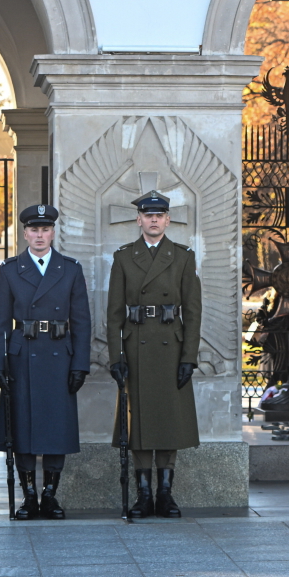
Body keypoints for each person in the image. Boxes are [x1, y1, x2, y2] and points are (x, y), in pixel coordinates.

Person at [0, 204, 92, 520]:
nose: (39, 235)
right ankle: (29, 495)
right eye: (34, 230)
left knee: (56, 427)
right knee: (22, 427)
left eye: (45, 229)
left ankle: (50, 494)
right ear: (25, 233)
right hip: (23, 356)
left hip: (60, 355)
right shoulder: (9, 270)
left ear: (53, 232)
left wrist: (80, 365)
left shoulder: (70, 269)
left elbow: (82, 322)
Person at [107, 190, 202, 519]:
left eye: (159, 215)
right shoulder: (123, 258)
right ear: (139, 220)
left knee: (168, 420)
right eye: (148, 215)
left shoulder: (183, 257)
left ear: (167, 219)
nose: (153, 220)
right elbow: (114, 314)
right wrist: (116, 357)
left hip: (170, 347)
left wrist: (189, 357)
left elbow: (192, 311)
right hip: (136, 345)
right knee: (138, 422)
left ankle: (165, 493)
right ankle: (143, 494)